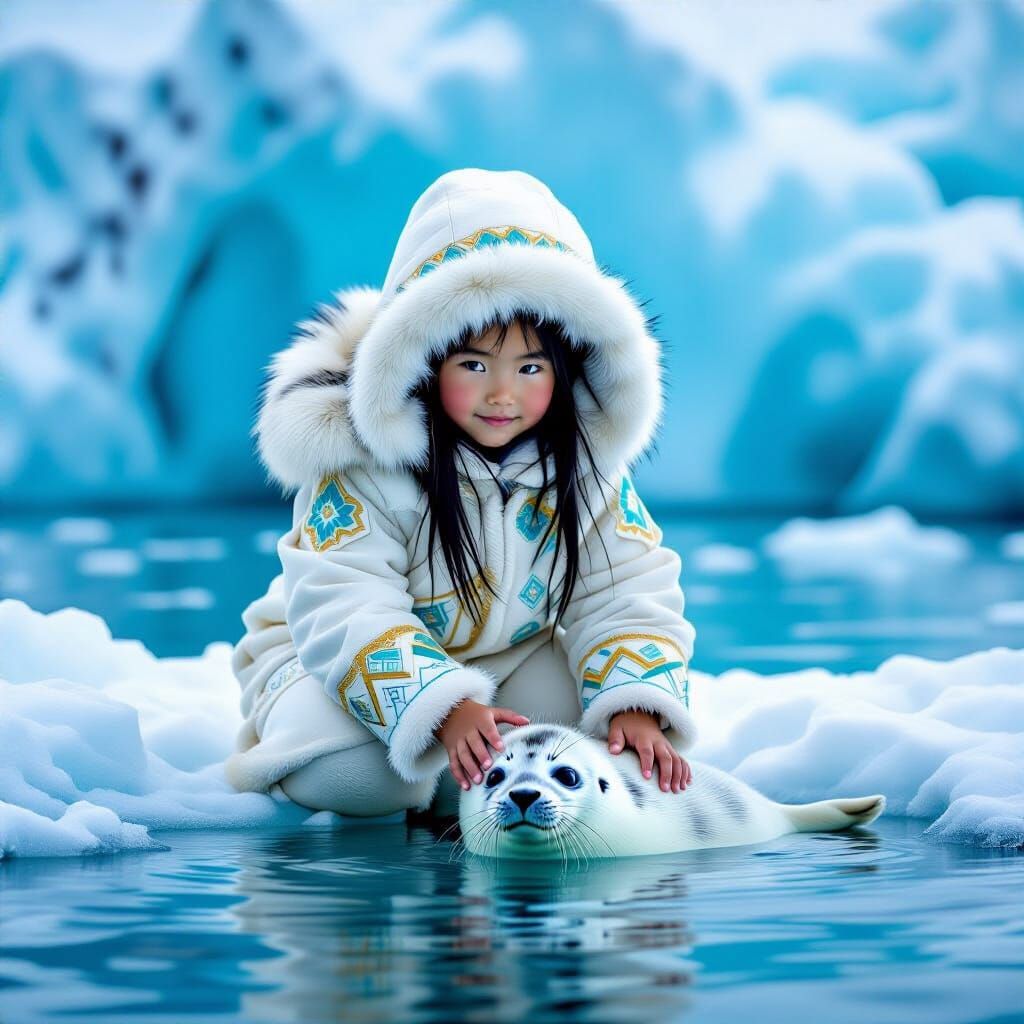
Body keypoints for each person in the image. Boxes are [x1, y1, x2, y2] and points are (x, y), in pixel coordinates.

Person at [225, 168, 698, 818]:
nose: (503, 394)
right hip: (326, 663)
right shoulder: (366, 462)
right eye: (474, 365)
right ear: (421, 358)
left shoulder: (585, 465)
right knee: (368, 781)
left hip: (510, 659)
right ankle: (351, 758)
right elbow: (345, 602)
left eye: (530, 368)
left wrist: (637, 706)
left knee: (600, 750)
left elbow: (627, 591)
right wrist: (442, 707)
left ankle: (476, 775)